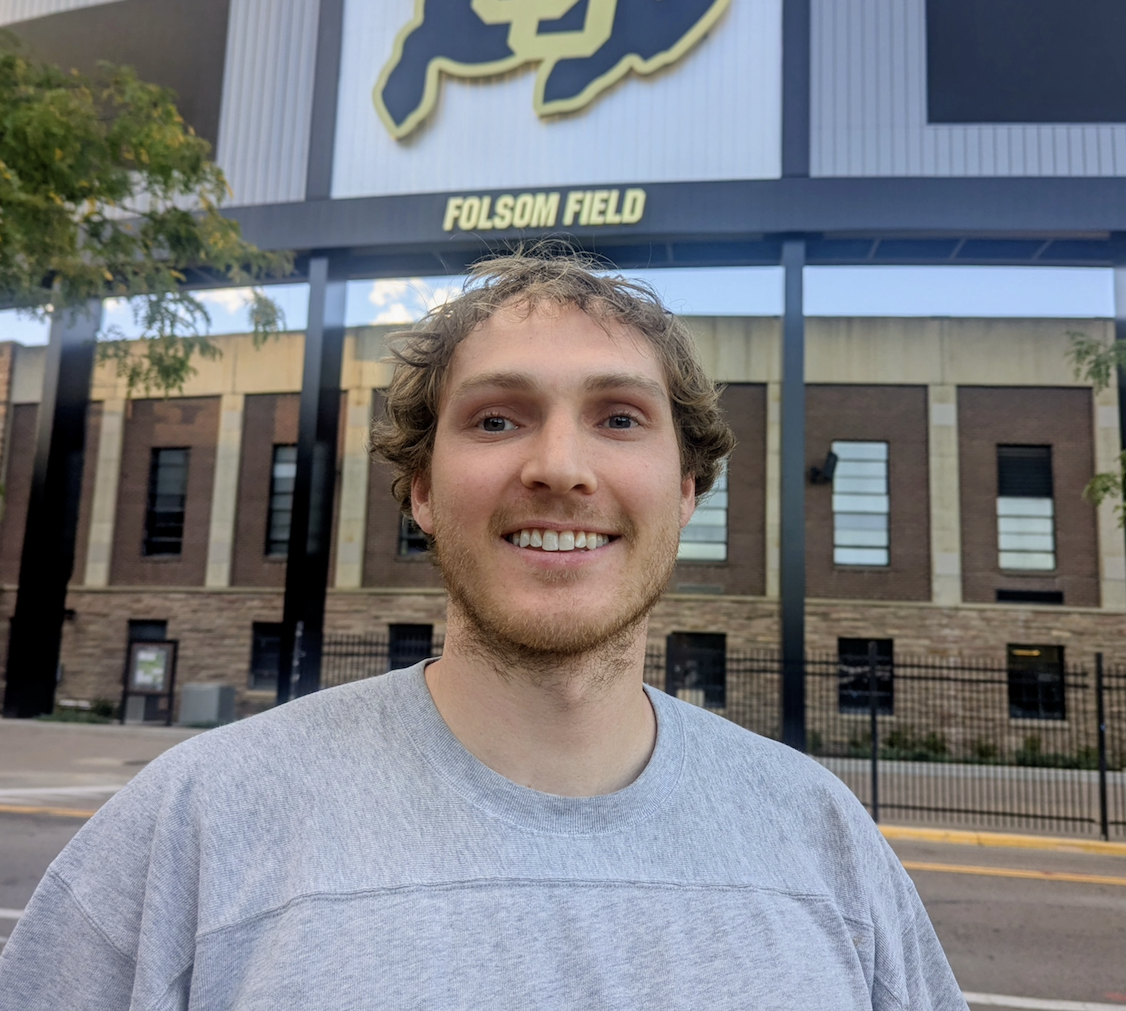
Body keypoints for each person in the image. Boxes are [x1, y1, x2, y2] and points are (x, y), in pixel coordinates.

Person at [0, 247, 966, 1010]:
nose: (559, 467)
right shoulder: (198, 822)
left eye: (619, 419)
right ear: (420, 488)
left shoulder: (823, 838)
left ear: (686, 491)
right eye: (498, 420)